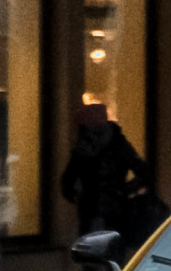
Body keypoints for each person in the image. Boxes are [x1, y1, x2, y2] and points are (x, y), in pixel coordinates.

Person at [60, 104, 161, 260]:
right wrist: (125, 190)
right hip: (104, 210)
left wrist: (123, 191)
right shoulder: (104, 144)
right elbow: (68, 180)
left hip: (106, 210)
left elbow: (68, 180)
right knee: (106, 256)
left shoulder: (89, 147)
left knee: (97, 257)